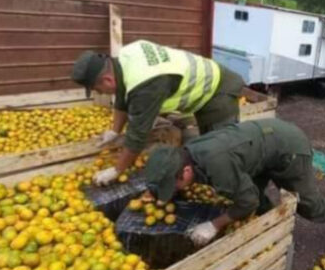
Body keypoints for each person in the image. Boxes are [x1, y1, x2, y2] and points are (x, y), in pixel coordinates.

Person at [142, 119, 325, 251]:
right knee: (249, 193)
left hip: (289, 149)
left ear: (185, 171)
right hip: (264, 145)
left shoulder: (216, 164)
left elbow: (248, 201)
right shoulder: (188, 152)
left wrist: (214, 225)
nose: (175, 191)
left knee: (309, 206)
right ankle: (271, 226)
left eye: (174, 186)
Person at [71, 40, 245, 186]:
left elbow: (138, 135)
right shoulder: (126, 56)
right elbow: (123, 97)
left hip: (219, 90)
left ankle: (243, 197)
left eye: (97, 89)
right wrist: (115, 131)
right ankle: (215, 181)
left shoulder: (145, 85)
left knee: (222, 150)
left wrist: (117, 170)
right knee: (209, 145)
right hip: (205, 89)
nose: (100, 94)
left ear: (107, 80)